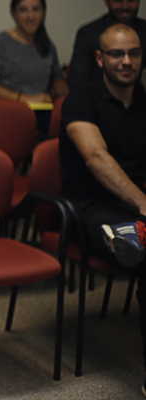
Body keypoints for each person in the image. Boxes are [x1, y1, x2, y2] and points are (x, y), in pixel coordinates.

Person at [59, 23, 146, 397]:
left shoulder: (142, 99)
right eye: (117, 54)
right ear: (100, 58)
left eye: (134, 53)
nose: (126, 62)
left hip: (137, 207)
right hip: (92, 210)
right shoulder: (81, 99)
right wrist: (143, 202)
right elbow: (96, 158)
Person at [0, 0, 68, 103]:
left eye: (36, 9)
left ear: (43, 12)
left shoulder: (48, 45)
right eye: (23, 10)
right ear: (14, 13)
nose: (30, 16)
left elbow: (58, 79)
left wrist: (66, 95)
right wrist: (26, 99)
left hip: (43, 109)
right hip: (9, 110)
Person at [68, 0, 146, 90]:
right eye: (118, 0)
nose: (125, 6)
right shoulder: (89, 34)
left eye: (131, 0)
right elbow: (77, 84)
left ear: (139, 0)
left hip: (135, 103)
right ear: (106, 0)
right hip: (95, 103)